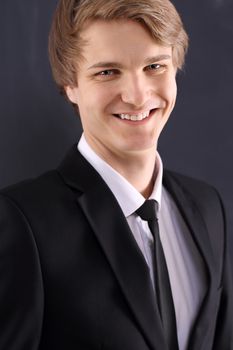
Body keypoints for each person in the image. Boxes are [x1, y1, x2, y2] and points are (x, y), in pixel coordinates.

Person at [0, 0, 232, 349]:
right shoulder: (23, 222)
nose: (138, 97)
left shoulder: (208, 207)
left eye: (155, 66)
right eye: (107, 72)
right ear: (70, 84)